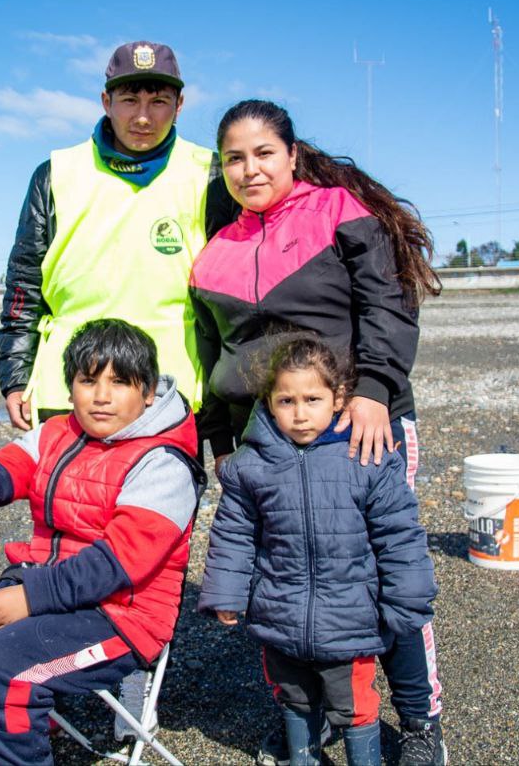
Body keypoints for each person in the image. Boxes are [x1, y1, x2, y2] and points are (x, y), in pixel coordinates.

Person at [189, 100, 445, 765]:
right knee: (291, 579)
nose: (250, 168)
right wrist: (221, 440)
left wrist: (373, 391)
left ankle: (419, 720)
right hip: (269, 442)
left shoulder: (337, 210)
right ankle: (311, 715)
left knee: (381, 576)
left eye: (263, 153)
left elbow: (389, 304)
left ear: (292, 154)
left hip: (364, 426)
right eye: (234, 158)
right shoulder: (215, 250)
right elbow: (212, 351)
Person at [0, 319, 204, 765]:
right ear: (71, 385)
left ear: (148, 392)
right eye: (87, 380)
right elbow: (1, 471)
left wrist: (30, 599)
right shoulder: (59, 432)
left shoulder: (164, 462)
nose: (101, 395)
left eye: (120, 382)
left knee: (3, 670)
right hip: (42, 590)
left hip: (121, 617)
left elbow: (117, 564)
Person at [199, 339, 436, 766]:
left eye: (313, 399)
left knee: (357, 704)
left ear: (339, 397)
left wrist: (407, 599)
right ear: (269, 403)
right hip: (280, 616)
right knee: (294, 698)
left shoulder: (365, 457)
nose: (300, 412)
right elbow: (234, 533)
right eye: (286, 400)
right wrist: (226, 593)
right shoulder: (250, 465)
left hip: (351, 619)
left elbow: (399, 535)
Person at [0, 40, 234, 430]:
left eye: (158, 101)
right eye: (128, 100)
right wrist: (15, 377)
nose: (143, 117)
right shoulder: (55, 173)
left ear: (180, 105)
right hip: (70, 390)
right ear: (106, 102)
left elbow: (229, 296)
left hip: (168, 393)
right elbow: (24, 286)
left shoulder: (209, 173)